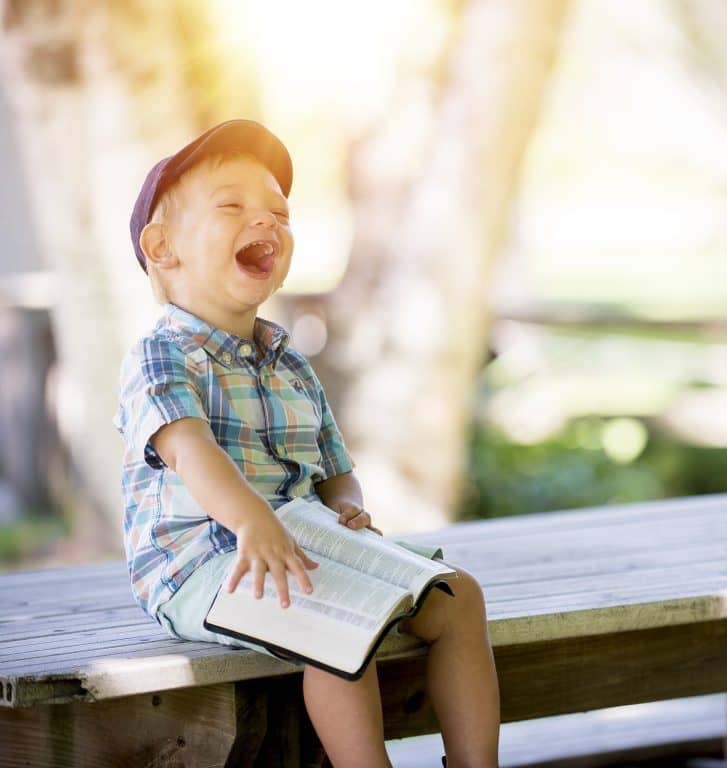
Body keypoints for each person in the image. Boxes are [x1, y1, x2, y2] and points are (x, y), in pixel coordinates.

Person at [114, 119, 500, 767]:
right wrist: (252, 520)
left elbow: (333, 466)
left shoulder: (286, 356)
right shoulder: (162, 354)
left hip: (300, 538)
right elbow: (190, 450)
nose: (265, 221)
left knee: (458, 596)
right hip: (201, 563)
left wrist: (347, 503)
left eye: (279, 212)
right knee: (335, 623)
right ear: (163, 247)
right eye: (232, 205)